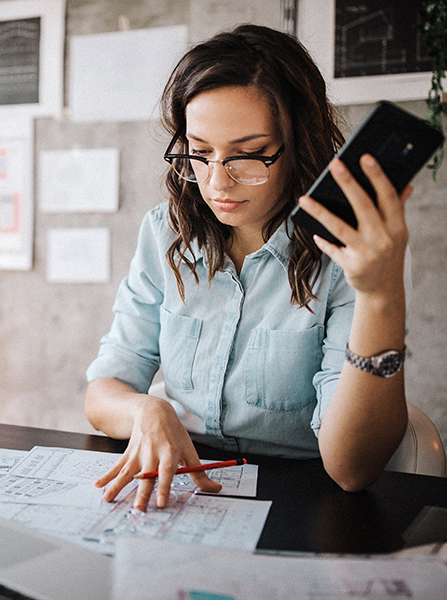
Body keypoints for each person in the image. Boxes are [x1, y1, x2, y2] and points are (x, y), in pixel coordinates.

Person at [85, 24, 411, 512]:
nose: (217, 182)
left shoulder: (350, 255)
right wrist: (146, 409)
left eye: (249, 155)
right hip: (186, 492)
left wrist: (381, 295)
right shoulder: (165, 233)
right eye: (200, 152)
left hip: (303, 500)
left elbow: (352, 469)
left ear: (298, 143)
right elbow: (104, 391)